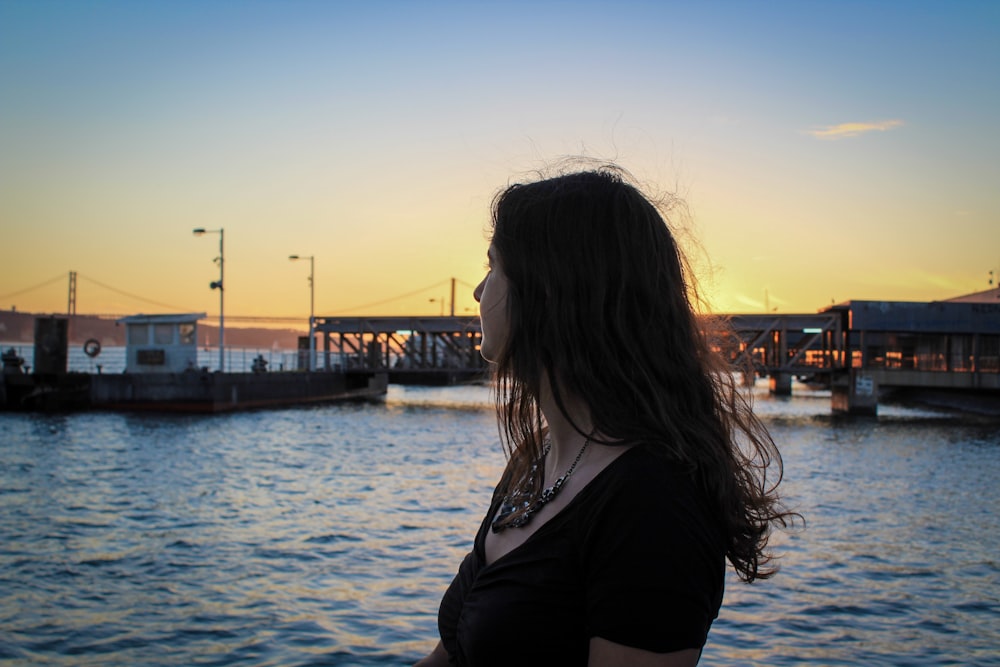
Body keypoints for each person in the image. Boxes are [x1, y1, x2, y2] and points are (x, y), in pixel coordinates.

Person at [415, 165, 796, 667]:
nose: (477, 292)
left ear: (548, 290)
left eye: (493, 267)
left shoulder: (653, 504)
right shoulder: (534, 464)